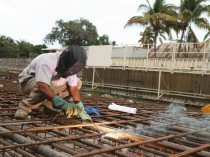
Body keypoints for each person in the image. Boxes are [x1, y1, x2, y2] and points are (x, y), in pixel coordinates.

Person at [15, 45, 90, 121]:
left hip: (51, 84)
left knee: (78, 83)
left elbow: (73, 88)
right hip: (29, 82)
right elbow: (42, 86)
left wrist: (80, 107)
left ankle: (49, 106)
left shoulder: (72, 67)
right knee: (49, 87)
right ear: (64, 62)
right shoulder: (47, 61)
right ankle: (25, 107)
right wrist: (61, 103)